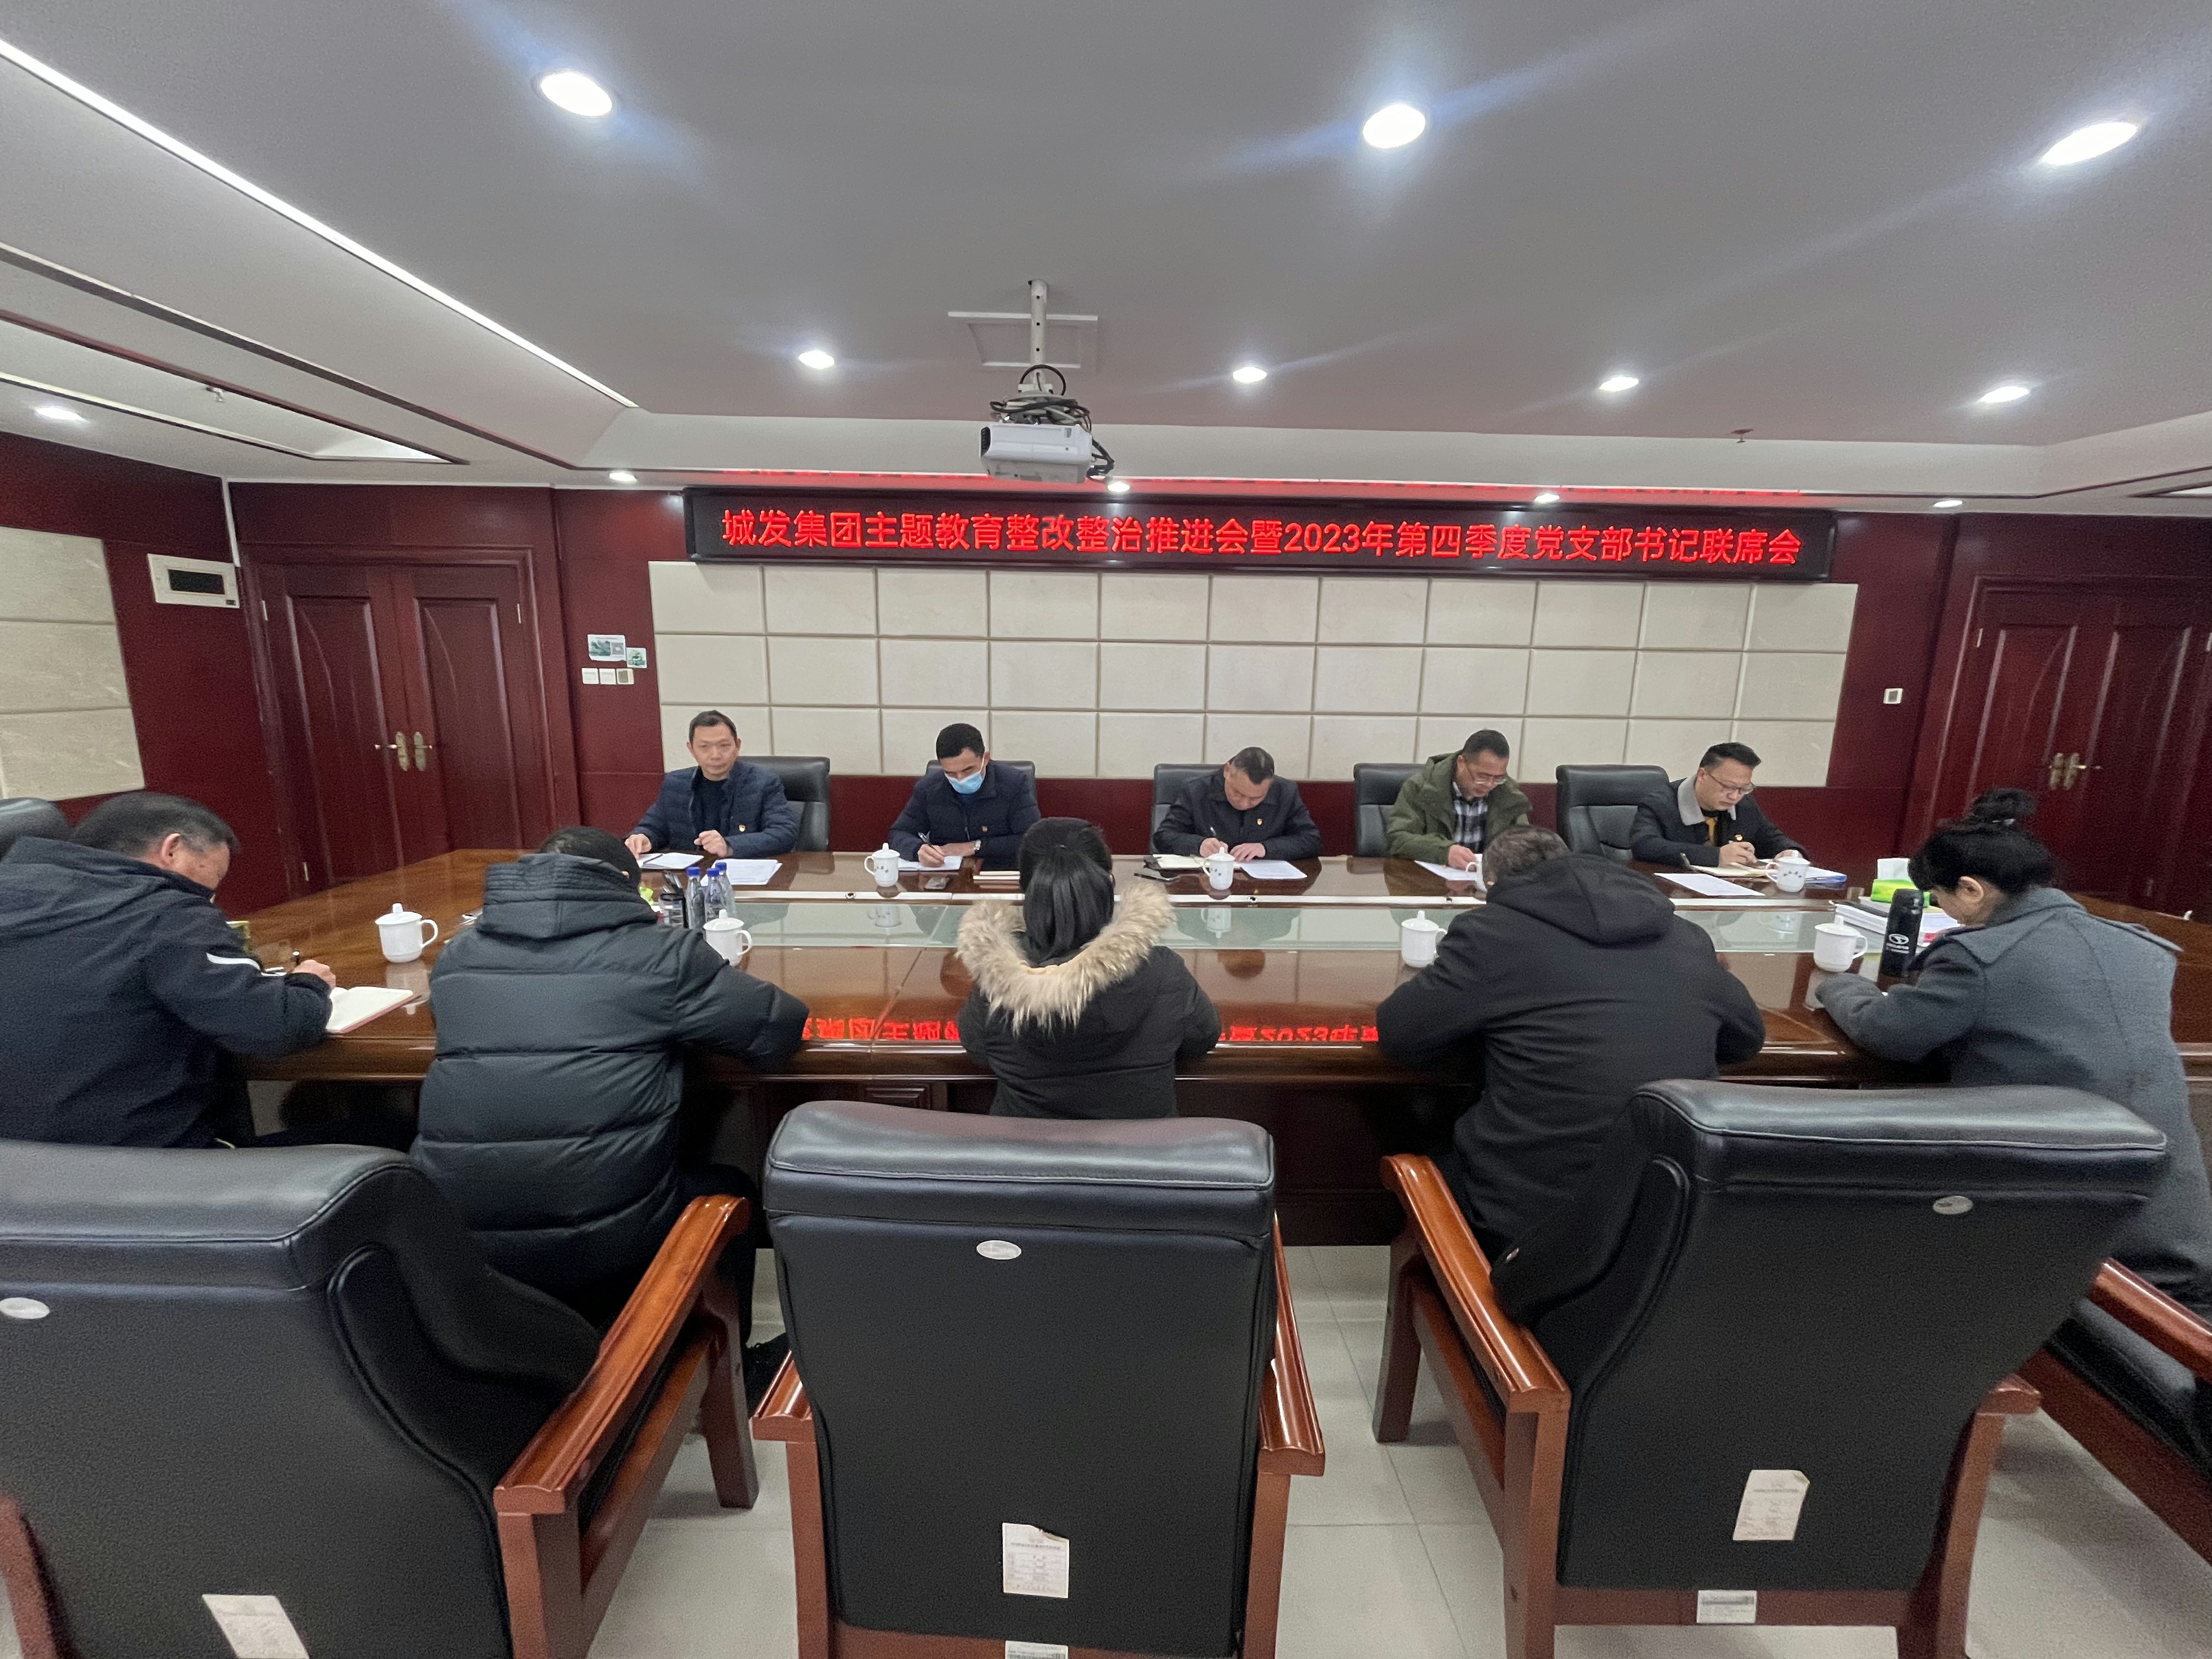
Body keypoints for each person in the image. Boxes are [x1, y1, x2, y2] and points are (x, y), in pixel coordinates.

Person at [412, 826, 810, 1397]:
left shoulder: (458, 957)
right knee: (729, 1189)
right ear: (625, 885)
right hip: (602, 1244)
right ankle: (732, 1380)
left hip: (459, 1236)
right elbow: (778, 1029)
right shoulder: (661, 954)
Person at [1815, 789, 2212, 1314]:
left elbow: (1889, 1032)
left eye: (1939, 898)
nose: (1944, 912)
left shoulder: (1979, 958)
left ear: (1971, 889)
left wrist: (1839, 985)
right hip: (2177, 1236)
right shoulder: (2143, 949)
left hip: (2080, 1255)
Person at [1376, 826, 1765, 1252]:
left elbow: (1400, 1034)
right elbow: (1746, 1041)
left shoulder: (1491, 932)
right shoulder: (1686, 936)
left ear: (1493, 883)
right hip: (1672, 1227)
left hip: (1531, 1234)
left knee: (1416, 1134)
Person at [0, 792, 335, 1148]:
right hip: (144, 1167)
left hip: (19, 1169)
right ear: (172, 850)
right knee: (373, 1134)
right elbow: (274, 1026)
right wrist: (309, 985)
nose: (208, 899)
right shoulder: (166, 914)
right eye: (210, 882)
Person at [957, 818, 1220, 1118]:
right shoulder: (1164, 972)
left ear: (1027, 889)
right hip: (1138, 1147)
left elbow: (978, 1048)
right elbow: (1202, 1037)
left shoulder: (998, 982)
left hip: (1027, 1148)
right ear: (1109, 882)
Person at [625, 710, 798, 861]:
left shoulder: (763, 783)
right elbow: (654, 826)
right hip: (689, 877)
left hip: (744, 876)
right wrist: (644, 838)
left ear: (737, 746)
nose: (715, 755)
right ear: (692, 749)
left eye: (724, 746)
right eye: (705, 747)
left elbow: (784, 834)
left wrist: (729, 846)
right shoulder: (675, 784)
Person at [887, 722, 1041, 871]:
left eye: (968, 770)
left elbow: (1032, 839)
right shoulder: (929, 788)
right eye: (950, 773)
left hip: (998, 873)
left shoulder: (1014, 784)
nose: (960, 779)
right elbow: (899, 833)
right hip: (945, 874)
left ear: (985, 759)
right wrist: (918, 850)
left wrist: (975, 846)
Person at [1630, 741, 1804, 868]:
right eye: (1727, 787)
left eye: (1743, 788)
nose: (1734, 796)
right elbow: (1645, 846)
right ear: (1702, 775)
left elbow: (1773, 839)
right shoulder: (1661, 802)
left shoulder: (1745, 805)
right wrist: (1716, 856)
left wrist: (1791, 853)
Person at [1385, 729, 1532, 869]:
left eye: (1498, 778)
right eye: (1482, 776)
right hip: (1429, 881)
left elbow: (1525, 843)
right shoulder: (1421, 788)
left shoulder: (1508, 793)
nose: (1489, 785)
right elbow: (1398, 839)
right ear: (1461, 763)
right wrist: (1444, 852)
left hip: (1486, 881)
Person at [1153, 747, 1322, 862]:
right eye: (1238, 794)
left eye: (1256, 799)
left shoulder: (1285, 793)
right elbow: (1164, 836)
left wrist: (1266, 848)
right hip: (1206, 883)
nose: (1245, 804)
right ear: (1227, 770)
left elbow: (1311, 841)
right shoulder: (1196, 791)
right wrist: (1199, 845)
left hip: (1264, 888)